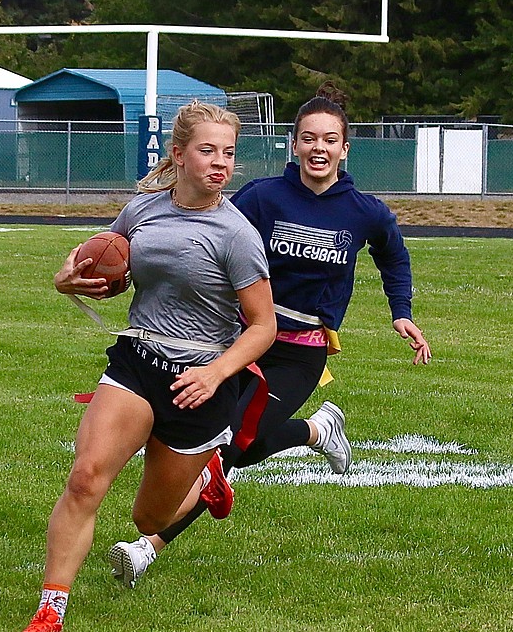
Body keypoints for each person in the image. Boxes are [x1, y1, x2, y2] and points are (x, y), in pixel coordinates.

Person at [108, 82, 431, 587]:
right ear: (293, 144)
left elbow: (393, 253)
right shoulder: (262, 196)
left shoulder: (363, 210)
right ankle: (316, 431)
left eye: (329, 139)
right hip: (243, 340)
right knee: (230, 441)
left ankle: (148, 547)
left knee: (233, 444)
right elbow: (211, 237)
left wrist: (401, 311)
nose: (318, 148)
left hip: (299, 352)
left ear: (346, 148)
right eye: (307, 138)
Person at [17, 101, 277, 632]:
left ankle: (208, 473)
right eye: (208, 151)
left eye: (228, 153)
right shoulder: (142, 211)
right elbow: (107, 264)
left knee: (149, 522)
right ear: (179, 154)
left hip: (200, 384)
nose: (220, 163)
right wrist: (70, 280)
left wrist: (216, 374)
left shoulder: (237, 234)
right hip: (138, 362)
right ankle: (51, 608)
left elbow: (262, 327)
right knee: (86, 478)